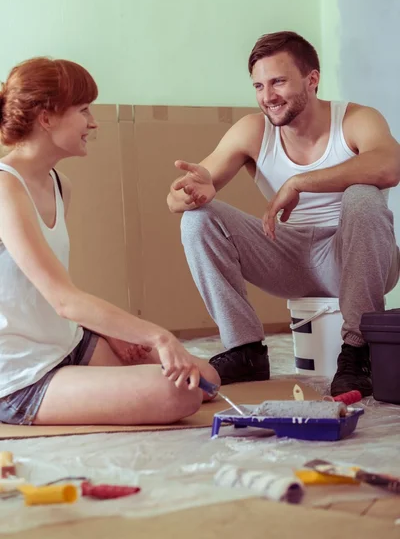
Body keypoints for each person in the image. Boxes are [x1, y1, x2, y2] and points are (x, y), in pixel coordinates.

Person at [167, 31, 400, 397]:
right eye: (259, 85)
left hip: (353, 257)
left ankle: (358, 351)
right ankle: (244, 350)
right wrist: (189, 195)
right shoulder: (252, 131)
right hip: (287, 255)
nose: (267, 96)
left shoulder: (356, 119)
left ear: (312, 79)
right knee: (198, 219)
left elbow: (390, 166)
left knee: (362, 197)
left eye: (278, 81)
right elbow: (178, 197)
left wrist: (301, 182)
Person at [0, 57, 220, 426]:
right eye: (84, 110)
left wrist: (107, 331)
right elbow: (63, 299)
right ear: (47, 117)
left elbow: (57, 288)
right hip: (21, 374)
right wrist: (159, 337)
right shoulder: (5, 188)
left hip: (66, 343)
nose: (93, 122)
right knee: (178, 391)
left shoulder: (59, 184)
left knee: (205, 377)